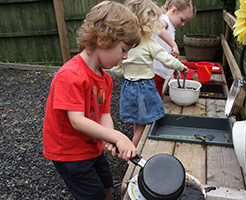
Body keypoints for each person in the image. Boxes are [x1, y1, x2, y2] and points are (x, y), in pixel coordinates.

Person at [42, 1, 141, 200]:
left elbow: (104, 114)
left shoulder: (105, 79)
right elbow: (77, 121)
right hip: (69, 153)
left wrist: (110, 137)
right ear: (103, 40)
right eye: (123, 49)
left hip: (90, 147)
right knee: (93, 194)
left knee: (106, 184)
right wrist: (119, 137)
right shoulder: (70, 75)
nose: (125, 57)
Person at [111, 0, 188, 147]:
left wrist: (122, 70)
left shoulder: (125, 45)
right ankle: (131, 150)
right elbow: (167, 59)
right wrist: (182, 67)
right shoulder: (149, 44)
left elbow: (118, 66)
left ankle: (133, 144)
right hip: (144, 87)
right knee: (144, 123)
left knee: (138, 120)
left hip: (128, 86)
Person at [154, 0, 196, 96]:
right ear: (174, 11)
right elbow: (159, 28)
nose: (183, 24)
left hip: (160, 74)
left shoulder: (170, 26)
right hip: (154, 73)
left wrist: (173, 67)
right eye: (182, 19)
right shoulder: (165, 20)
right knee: (151, 101)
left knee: (157, 99)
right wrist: (174, 45)